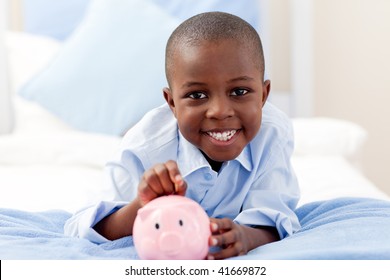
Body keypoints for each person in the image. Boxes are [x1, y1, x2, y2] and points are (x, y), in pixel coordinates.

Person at [65, 11, 300, 260]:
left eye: (239, 91)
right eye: (197, 95)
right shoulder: (145, 148)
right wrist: (141, 207)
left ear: (263, 95)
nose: (220, 112)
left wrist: (247, 237)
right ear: (172, 103)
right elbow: (80, 227)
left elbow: (276, 217)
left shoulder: (272, 135)